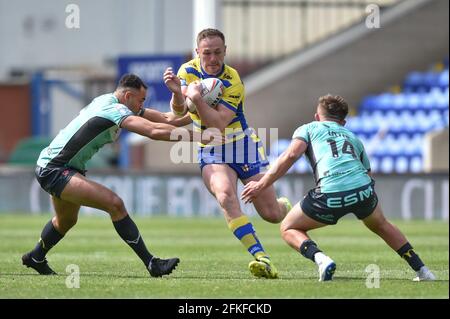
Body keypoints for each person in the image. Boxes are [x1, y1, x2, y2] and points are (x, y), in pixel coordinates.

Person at [241, 94, 436, 282]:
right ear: (343, 122)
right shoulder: (353, 137)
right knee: (382, 224)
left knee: (288, 227)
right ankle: (423, 270)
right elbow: (367, 173)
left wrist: (262, 183)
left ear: (317, 116)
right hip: (363, 190)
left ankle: (321, 260)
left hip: (331, 192)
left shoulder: (309, 128)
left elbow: (291, 155)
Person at [22, 74, 192, 277]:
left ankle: (36, 257)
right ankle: (151, 263)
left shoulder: (110, 101)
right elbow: (154, 131)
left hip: (61, 166)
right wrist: (199, 137)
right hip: (55, 168)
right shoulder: (114, 109)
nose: (142, 105)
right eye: (141, 100)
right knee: (115, 204)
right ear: (128, 96)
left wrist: (199, 116)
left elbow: (166, 119)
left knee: (66, 220)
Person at [163, 28, 293, 279]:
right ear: (197, 52)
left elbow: (218, 124)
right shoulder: (186, 71)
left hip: (242, 144)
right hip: (211, 148)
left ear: (226, 51)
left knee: (271, 215)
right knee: (225, 195)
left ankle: (282, 206)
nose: (213, 59)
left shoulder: (233, 80)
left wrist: (198, 99)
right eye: (207, 53)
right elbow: (179, 112)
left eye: (218, 53)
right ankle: (261, 256)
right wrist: (177, 93)